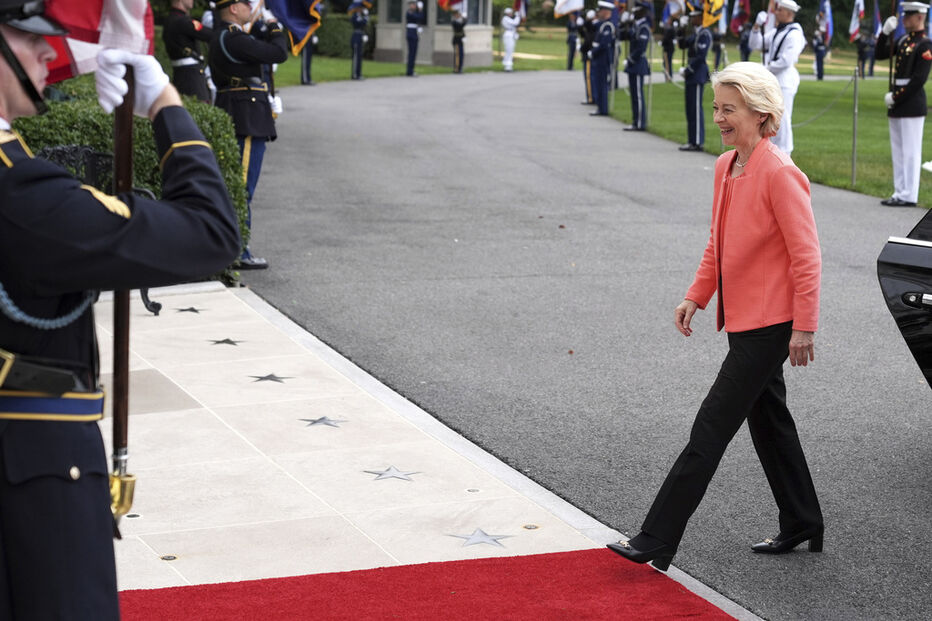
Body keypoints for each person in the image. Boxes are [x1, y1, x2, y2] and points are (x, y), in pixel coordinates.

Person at [0, 1, 240, 618]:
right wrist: (163, 102)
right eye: (28, 40)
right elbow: (211, 232)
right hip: (31, 474)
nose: (47, 55)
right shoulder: (21, 199)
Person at [607, 61, 823, 572]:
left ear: (761, 112)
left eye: (729, 109)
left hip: (770, 326)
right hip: (742, 319)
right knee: (770, 423)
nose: (719, 117)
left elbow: (806, 256)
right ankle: (803, 520)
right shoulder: (727, 166)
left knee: (709, 429)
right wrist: (696, 295)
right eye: (716, 107)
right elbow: (718, 242)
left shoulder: (781, 172)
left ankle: (657, 536)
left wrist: (805, 326)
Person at [208, 0, 287, 269]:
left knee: (236, 184)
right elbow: (278, 53)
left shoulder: (225, 36)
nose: (249, 7)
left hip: (237, 110)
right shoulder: (235, 39)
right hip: (247, 117)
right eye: (245, 3)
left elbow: (257, 50)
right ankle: (238, 251)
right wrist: (276, 26)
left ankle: (232, 246)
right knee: (242, 187)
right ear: (233, 8)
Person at [876, 2, 932, 207]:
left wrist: (896, 97)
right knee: (898, 150)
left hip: (911, 103)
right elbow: (879, 54)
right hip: (898, 102)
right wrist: (884, 33)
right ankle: (900, 191)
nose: (905, 19)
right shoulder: (903, 41)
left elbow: (919, 80)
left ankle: (910, 194)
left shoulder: (925, 44)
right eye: (904, 15)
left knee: (910, 151)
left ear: (920, 17)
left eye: (909, 15)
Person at [749, 0, 805, 155]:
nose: (776, 12)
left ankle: (785, 153)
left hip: (785, 81)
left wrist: (765, 69)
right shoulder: (777, 31)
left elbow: (787, 60)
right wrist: (756, 26)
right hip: (773, 80)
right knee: (771, 118)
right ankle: (772, 152)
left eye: (779, 9)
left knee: (783, 119)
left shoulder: (794, 33)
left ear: (788, 12)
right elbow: (756, 44)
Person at [163, 0, 213, 102]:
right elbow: (211, 35)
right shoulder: (182, 21)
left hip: (182, 76)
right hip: (192, 79)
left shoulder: (171, 19)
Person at [677, 2, 711, 151]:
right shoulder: (695, 34)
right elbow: (682, 44)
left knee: (696, 109)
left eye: (693, 17)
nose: (691, 20)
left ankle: (698, 141)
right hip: (691, 75)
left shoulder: (704, 34)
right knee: (689, 108)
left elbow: (700, 56)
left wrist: (688, 70)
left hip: (697, 75)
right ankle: (692, 140)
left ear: (700, 17)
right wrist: (681, 29)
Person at [621, 2, 651, 130]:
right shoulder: (635, 25)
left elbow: (640, 48)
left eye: (636, 10)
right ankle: (635, 121)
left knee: (638, 95)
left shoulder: (644, 27)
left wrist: (630, 59)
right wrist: (623, 23)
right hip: (634, 65)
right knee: (634, 95)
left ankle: (639, 123)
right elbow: (622, 35)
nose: (634, 12)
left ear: (642, 12)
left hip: (638, 64)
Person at [589, 1, 616, 116]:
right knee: (598, 83)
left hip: (603, 59)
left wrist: (593, 52)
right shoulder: (602, 24)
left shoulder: (608, 26)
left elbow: (604, 44)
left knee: (602, 84)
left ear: (605, 11)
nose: (598, 13)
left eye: (600, 10)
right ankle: (600, 107)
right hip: (599, 58)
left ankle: (603, 108)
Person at [580, 9, 597, 103]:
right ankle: (591, 97)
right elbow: (584, 34)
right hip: (590, 53)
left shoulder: (592, 26)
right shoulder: (591, 26)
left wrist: (581, 48)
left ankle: (591, 98)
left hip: (589, 54)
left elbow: (588, 39)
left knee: (589, 77)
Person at [405, 0, 424, 77]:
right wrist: (420, 10)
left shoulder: (414, 12)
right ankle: (410, 71)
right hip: (411, 34)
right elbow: (418, 17)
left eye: (415, 4)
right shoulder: (409, 12)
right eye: (413, 4)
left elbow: (421, 18)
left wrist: (420, 10)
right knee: (412, 53)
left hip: (414, 33)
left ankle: (410, 70)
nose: (414, 6)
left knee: (413, 53)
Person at [662, 5, 681, 81]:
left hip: (668, 48)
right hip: (670, 47)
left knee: (667, 63)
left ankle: (668, 76)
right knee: (668, 62)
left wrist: (662, 43)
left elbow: (666, 39)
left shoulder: (670, 29)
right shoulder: (671, 28)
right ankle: (669, 76)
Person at [350, 7, 369, 80]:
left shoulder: (361, 16)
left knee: (359, 56)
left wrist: (366, 16)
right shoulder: (355, 16)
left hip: (360, 36)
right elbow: (358, 23)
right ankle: (355, 74)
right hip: (356, 37)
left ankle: (359, 73)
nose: (362, 9)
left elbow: (364, 24)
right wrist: (365, 17)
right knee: (356, 57)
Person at [501, 7, 520, 72]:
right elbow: (515, 23)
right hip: (508, 35)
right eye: (510, 13)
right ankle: (507, 66)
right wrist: (518, 16)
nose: (512, 14)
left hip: (511, 34)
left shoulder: (508, 19)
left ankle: (508, 65)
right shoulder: (505, 18)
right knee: (509, 50)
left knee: (511, 50)